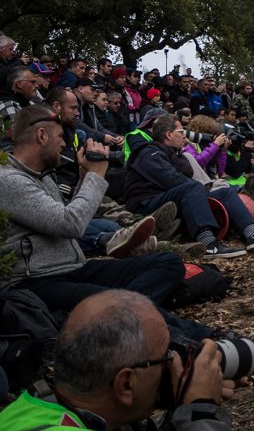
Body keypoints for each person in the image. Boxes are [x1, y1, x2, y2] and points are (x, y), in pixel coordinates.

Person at [0, 105, 214, 341]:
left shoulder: (42, 175)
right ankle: (208, 337)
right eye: (60, 137)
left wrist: (84, 177)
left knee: (169, 263)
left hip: (72, 269)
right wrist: (96, 175)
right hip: (37, 281)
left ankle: (107, 315)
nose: (64, 144)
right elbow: (70, 224)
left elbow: (68, 216)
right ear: (41, 135)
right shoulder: (9, 180)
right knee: (113, 299)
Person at [0, 290, 237, 431]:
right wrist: (200, 412)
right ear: (125, 384)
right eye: (166, 356)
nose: (176, 362)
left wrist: (180, 410)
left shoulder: (40, 406)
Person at [123, 114, 254, 258]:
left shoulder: (176, 154)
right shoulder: (148, 152)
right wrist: (201, 190)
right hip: (147, 204)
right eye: (181, 132)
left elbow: (188, 174)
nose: (185, 136)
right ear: (168, 135)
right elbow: (172, 180)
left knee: (224, 192)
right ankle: (208, 244)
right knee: (194, 187)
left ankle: (253, 233)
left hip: (171, 198)